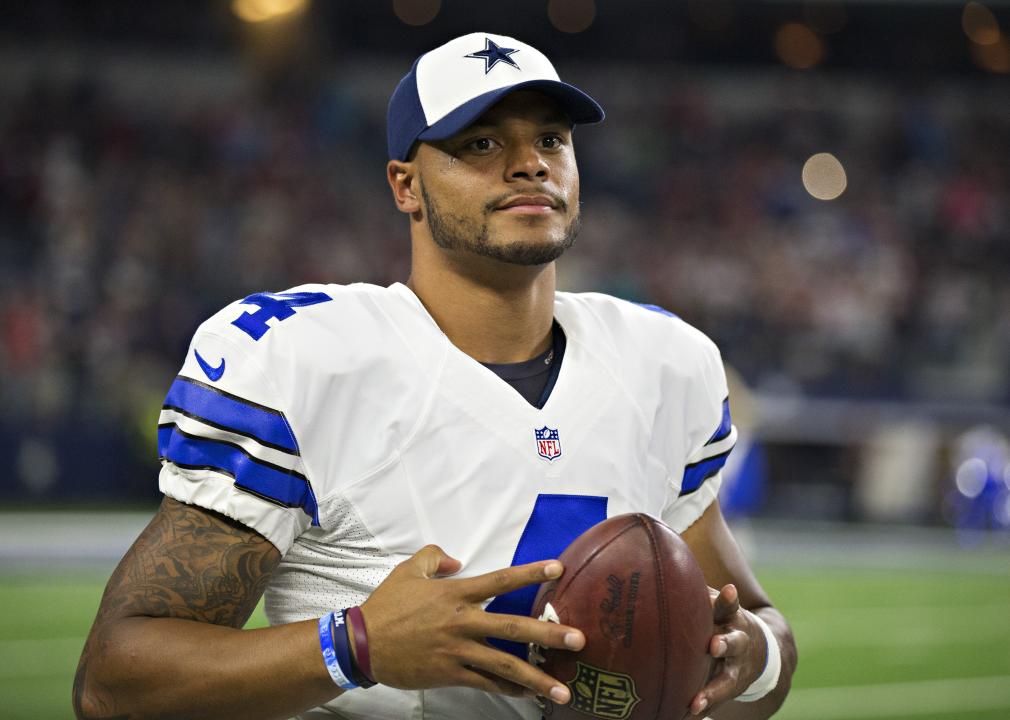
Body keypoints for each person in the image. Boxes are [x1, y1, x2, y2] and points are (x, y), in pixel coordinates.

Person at [73, 32, 796, 720]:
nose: (529, 163)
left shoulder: (666, 362)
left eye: (551, 139)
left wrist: (749, 656)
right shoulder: (300, 359)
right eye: (480, 143)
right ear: (405, 186)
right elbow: (113, 683)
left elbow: (761, 629)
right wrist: (355, 647)